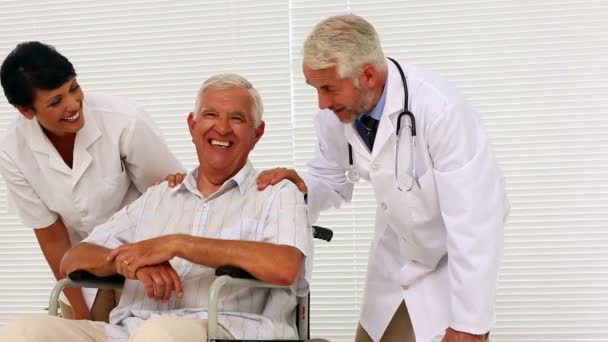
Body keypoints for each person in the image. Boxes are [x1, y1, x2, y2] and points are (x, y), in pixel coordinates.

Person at [0, 73, 314, 342]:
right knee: (23, 331)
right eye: (210, 115)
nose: (222, 128)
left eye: (237, 118)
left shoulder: (276, 192)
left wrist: (177, 244)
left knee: (157, 335)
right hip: (130, 330)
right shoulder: (160, 195)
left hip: (224, 329)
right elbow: (74, 258)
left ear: (257, 133)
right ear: (192, 125)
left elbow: (285, 267)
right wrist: (133, 264)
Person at [257, 14, 509, 342]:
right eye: (315, 89)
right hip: (396, 260)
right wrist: (303, 190)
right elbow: (331, 178)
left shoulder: (440, 109)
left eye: (329, 88)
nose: (322, 102)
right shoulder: (337, 113)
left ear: (369, 75)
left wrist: (469, 325)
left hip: (452, 267)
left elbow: (475, 223)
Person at [0, 41, 185, 322]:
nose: (73, 104)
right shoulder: (13, 151)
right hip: (83, 268)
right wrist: (82, 315)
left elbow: (172, 195)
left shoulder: (123, 120)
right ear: (26, 110)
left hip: (146, 263)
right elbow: (52, 236)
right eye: (56, 101)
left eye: (73, 88)